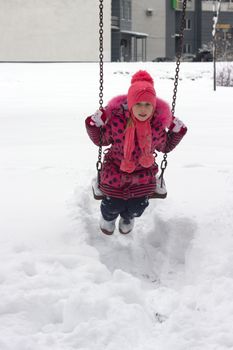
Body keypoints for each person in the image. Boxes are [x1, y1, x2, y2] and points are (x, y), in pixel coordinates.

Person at [85, 70, 187, 235]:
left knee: (137, 207)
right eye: (138, 104)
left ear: (153, 107)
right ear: (131, 104)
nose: (143, 109)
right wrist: (93, 125)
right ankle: (108, 218)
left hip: (143, 175)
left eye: (148, 104)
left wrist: (177, 132)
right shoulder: (118, 122)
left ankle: (128, 217)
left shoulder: (156, 127)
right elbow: (101, 140)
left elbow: (165, 146)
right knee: (112, 205)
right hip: (115, 172)